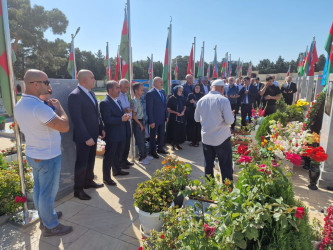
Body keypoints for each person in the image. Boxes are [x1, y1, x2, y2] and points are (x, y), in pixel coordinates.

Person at [14, 69, 72, 236]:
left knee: (40, 190)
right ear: (35, 84)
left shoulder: (20, 104)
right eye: (46, 82)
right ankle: (51, 225)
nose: (49, 86)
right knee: (47, 193)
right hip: (48, 156)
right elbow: (64, 126)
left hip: (35, 153)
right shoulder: (39, 108)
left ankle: (46, 216)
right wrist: (60, 108)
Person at [68, 70, 105, 201]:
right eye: (92, 77)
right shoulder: (75, 95)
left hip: (93, 134)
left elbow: (96, 114)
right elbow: (76, 119)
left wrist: (101, 128)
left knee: (91, 160)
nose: (94, 80)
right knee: (82, 163)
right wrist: (86, 137)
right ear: (84, 80)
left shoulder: (91, 93)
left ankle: (88, 182)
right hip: (84, 137)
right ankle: (78, 190)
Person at [194, 79, 234, 181]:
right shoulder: (223, 100)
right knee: (225, 166)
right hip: (222, 138)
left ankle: (209, 189)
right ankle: (227, 190)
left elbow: (196, 119)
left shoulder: (201, 100)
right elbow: (230, 121)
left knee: (208, 165)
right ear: (221, 88)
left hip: (207, 138)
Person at [100, 81, 130, 182]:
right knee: (109, 156)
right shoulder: (105, 102)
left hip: (120, 132)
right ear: (110, 90)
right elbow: (107, 120)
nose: (119, 90)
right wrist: (121, 119)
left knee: (118, 154)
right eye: (117, 88)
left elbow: (119, 114)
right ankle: (106, 178)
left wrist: (124, 116)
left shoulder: (117, 100)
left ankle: (117, 170)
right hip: (112, 134)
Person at [146, 77, 168, 158]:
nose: (162, 83)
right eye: (160, 82)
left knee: (161, 134)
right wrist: (151, 121)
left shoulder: (162, 91)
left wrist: (166, 116)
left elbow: (164, 105)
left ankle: (160, 148)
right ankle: (153, 151)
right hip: (154, 120)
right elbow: (149, 109)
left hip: (162, 118)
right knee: (153, 136)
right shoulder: (150, 93)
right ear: (155, 83)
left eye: (162, 82)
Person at [131, 83, 151, 165]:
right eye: (141, 90)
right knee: (140, 141)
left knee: (143, 140)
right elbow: (134, 116)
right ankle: (141, 158)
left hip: (141, 121)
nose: (143, 92)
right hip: (137, 122)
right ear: (136, 91)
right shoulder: (134, 101)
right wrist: (140, 124)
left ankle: (145, 155)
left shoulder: (139, 100)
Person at [118, 79, 134, 169]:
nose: (127, 89)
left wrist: (130, 109)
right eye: (126, 87)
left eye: (128, 87)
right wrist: (125, 111)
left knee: (128, 141)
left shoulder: (125, 95)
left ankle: (125, 159)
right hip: (122, 122)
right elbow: (118, 110)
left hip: (128, 121)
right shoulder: (118, 96)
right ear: (120, 86)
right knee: (123, 143)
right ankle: (120, 162)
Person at [166, 85, 186, 150]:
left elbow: (184, 106)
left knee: (179, 131)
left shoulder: (182, 97)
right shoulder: (171, 98)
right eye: (179, 90)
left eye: (181, 90)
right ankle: (173, 144)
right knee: (173, 131)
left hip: (181, 117)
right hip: (173, 117)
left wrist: (183, 112)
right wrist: (176, 113)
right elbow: (168, 109)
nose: (181, 92)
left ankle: (177, 144)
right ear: (176, 90)